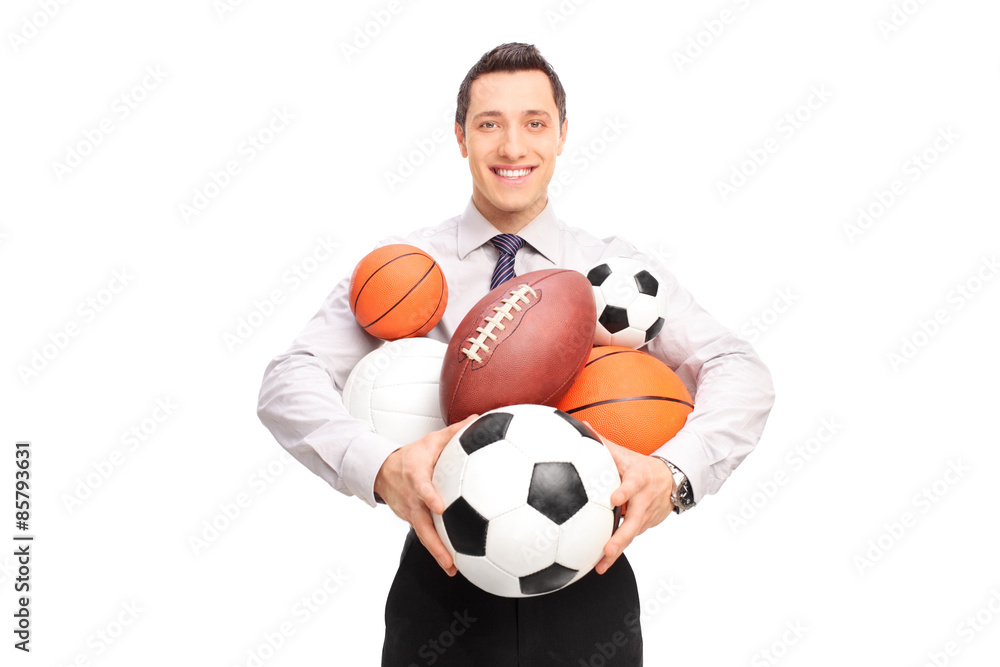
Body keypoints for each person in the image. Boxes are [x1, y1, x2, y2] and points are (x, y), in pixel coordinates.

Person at [257, 42, 774, 666]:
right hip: (443, 584)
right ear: (460, 137)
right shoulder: (405, 270)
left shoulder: (612, 276)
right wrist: (378, 466)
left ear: (561, 136)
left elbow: (737, 367)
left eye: (534, 123)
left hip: (593, 591)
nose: (512, 147)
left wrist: (676, 474)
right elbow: (290, 379)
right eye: (488, 124)